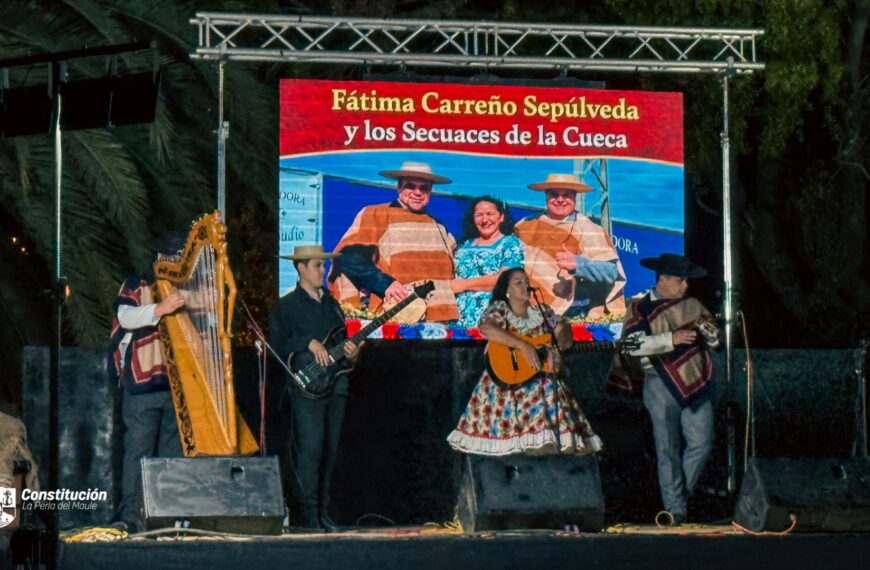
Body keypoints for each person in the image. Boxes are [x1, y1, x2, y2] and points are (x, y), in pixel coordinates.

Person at [607, 253, 720, 526]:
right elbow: (631, 345)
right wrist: (671, 339)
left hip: (694, 382)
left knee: (701, 442)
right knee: (666, 447)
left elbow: (715, 341)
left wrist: (712, 334)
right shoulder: (640, 307)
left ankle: (679, 498)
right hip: (658, 381)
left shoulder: (692, 305)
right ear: (664, 279)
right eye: (681, 281)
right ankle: (675, 509)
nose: (685, 287)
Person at [447, 268, 602, 456]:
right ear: (507, 290)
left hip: (542, 381)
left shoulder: (542, 311)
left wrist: (558, 345)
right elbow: (487, 328)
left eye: (526, 281)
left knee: (551, 432)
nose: (525, 285)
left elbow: (563, 332)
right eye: (518, 282)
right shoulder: (500, 310)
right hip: (507, 381)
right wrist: (523, 346)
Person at [269, 245, 361, 532]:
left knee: (330, 450)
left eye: (324, 266)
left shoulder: (332, 305)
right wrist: (307, 341)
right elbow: (275, 344)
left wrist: (354, 353)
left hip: (336, 384)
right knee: (310, 450)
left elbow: (343, 346)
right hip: (306, 388)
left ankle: (323, 513)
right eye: (318, 266)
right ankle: (306, 515)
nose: (323, 271)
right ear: (301, 268)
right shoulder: (286, 306)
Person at [107, 264, 186, 532]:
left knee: (171, 456)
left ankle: (165, 517)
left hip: (176, 385)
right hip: (142, 383)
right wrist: (159, 309)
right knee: (139, 453)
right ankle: (131, 517)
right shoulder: (136, 283)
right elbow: (125, 316)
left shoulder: (186, 287)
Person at [328, 161, 458, 321]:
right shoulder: (376, 214)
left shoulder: (439, 227)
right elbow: (347, 257)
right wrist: (385, 284)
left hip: (441, 321)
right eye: (411, 186)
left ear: (430, 191)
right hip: (393, 318)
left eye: (424, 188)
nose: (418, 192)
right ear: (399, 187)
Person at [515, 173, 626, 319]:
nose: (560, 200)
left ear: (575, 198)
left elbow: (612, 272)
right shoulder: (526, 224)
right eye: (554, 194)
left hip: (566, 312)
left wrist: (579, 265)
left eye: (566, 195)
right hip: (522, 306)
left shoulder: (590, 230)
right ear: (546, 196)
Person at [451, 196, 525, 328]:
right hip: (458, 320)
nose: (484, 220)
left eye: (490, 214)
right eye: (479, 215)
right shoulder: (463, 245)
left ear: (501, 217)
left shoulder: (510, 243)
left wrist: (462, 285)